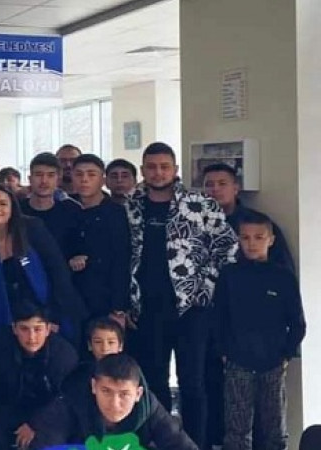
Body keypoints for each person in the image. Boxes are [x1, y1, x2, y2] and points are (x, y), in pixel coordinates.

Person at [125, 142, 238, 449]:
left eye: (164, 166)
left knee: (193, 384)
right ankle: (162, 443)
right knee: (153, 382)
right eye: (151, 167)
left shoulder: (200, 203)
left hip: (192, 309)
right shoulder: (131, 206)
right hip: (147, 308)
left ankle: (195, 444)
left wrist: (205, 288)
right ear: (143, 170)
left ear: (175, 169)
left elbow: (227, 248)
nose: (158, 172)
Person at [213, 211, 306, 450]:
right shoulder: (229, 275)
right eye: (245, 237)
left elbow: (297, 322)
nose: (251, 243)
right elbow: (219, 318)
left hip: (273, 362)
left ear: (270, 240)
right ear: (238, 239)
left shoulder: (283, 277)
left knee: (275, 429)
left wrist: (285, 354)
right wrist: (225, 352)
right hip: (238, 362)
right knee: (237, 430)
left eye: (258, 237)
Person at [0, 184, 85, 344]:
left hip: (44, 311)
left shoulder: (32, 228)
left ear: (12, 208)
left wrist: (52, 316)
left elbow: (57, 272)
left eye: (3, 204)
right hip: (1, 316)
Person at [31, 353, 198, 450]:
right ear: (94, 387)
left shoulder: (149, 408)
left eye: (124, 394)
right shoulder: (69, 405)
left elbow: (182, 446)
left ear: (138, 394)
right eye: (106, 391)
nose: (114, 403)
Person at [0, 304, 78, 450]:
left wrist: (36, 423)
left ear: (48, 329)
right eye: (24, 329)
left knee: (46, 443)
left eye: (37, 329)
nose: (31, 337)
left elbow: (66, 398)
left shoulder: (64, 354)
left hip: (51, 412)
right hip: (9, 408)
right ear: (14, 329)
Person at [69, 154, 131, 329]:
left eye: (91, 174)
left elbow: (121, 261)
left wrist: (119, 308)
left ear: (103, 180)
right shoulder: (67, 210)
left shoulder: (117, 213)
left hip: (106, 299)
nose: (84, 180)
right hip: (73, 299)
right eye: (79, 174)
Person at [202, 163, 294, 272]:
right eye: (209, 185)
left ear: (235, 188)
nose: (215, 189)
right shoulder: (194, 223)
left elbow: (283, 268)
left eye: (222, 184)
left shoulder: (256, 222)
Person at [20, 152, 82, 259]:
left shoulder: (72, 211)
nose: (44, 181)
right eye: (39, 175)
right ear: (30, 179)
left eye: (50, 175)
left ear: (58, 180)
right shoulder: (16, 210)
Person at [61, 317, 126, 400]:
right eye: (98, 342)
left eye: (111, 342)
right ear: (90, 345)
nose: (105, 348)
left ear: (120, 346)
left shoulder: (129, 372)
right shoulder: (80, 374)